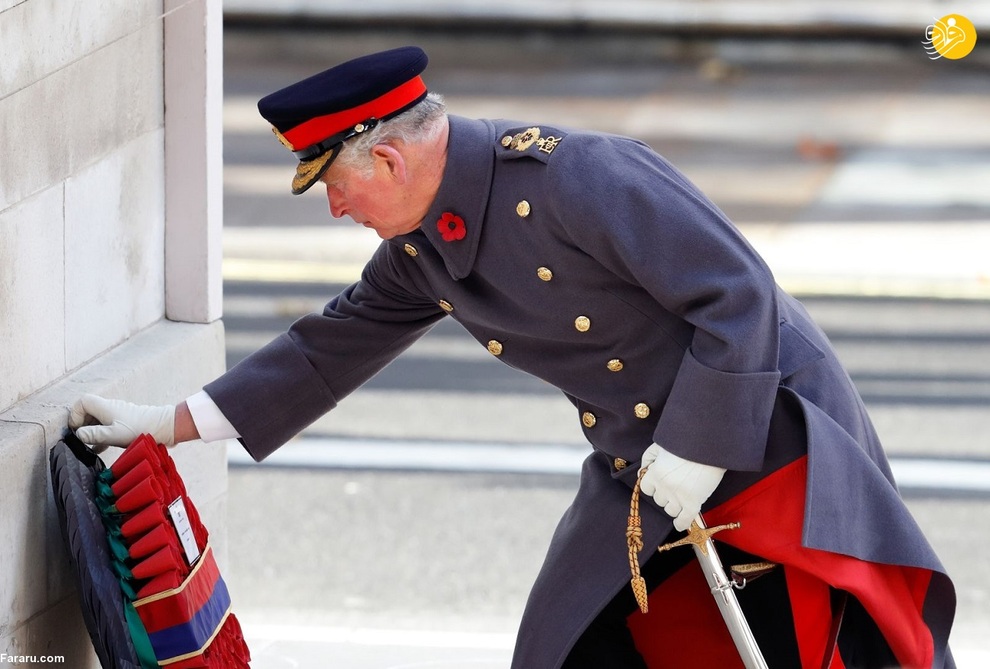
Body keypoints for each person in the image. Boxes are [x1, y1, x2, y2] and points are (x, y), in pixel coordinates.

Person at [70, 46, 955, 668]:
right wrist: (173, 422)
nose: (337, 212)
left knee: (829, 645)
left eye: (336, 190)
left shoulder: (578, 177)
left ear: (384, 156)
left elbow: (739, 296)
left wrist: (701, 444)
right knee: (568, 645)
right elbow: (326, 350)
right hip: (642, 468)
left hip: (765, 439)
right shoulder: (423, 248)